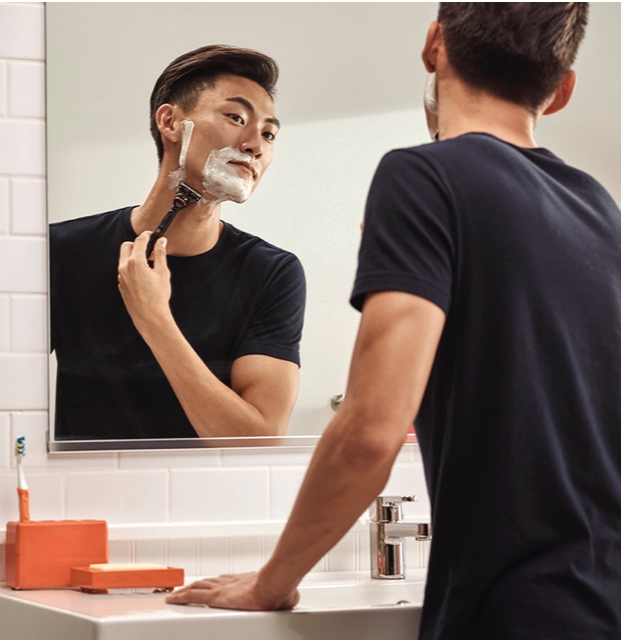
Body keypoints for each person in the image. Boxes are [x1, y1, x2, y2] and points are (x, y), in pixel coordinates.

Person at [165, 4, 621, 639]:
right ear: (563, 88)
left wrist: (272, 581)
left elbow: (372, 430)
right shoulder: (596, 205)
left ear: (434, 44)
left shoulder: (425, 176)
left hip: (516, 609)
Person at [50, 45, 306, 440]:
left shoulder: (271, 273)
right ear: (170, 122)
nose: (256, 144)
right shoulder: (60, 250)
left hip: (212, 498)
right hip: (79, 495)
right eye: (236, 117)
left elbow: (257, 440)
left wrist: (155, 319)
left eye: (269, 133)